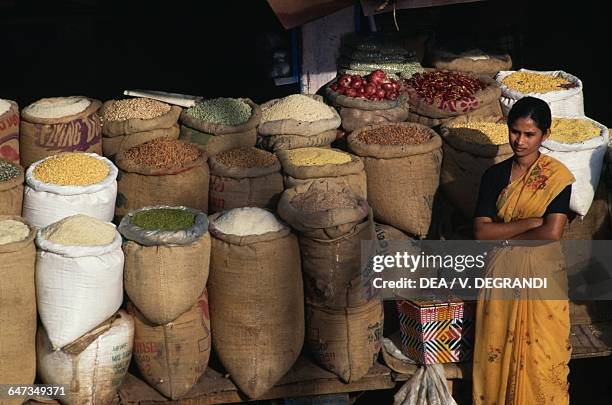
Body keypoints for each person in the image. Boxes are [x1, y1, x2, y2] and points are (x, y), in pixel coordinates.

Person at [471, 97, 575, 405]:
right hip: (502, 277)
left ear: (546, 135)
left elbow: (552, 232)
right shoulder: (494, 176)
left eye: (529, 134)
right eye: (515, 132)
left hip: (542, 279)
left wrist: (503, 237)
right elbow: (480, 232)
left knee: (543, 358)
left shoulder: (557, 177)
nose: (520, 141)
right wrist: (528, 222)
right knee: (496, 353)